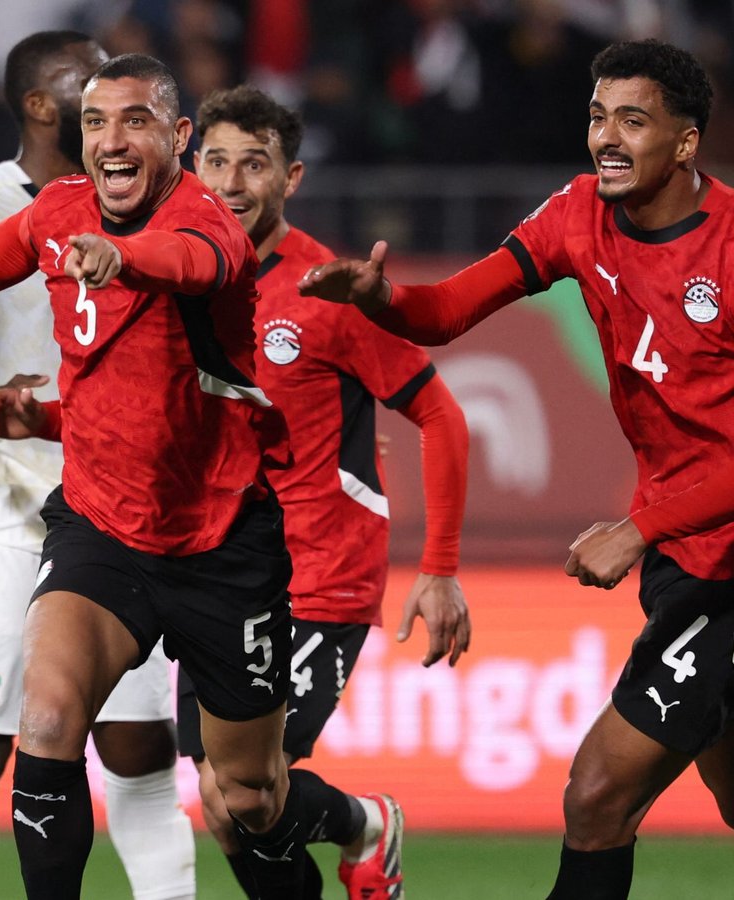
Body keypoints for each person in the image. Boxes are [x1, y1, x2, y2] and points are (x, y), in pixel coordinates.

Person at [299, 38, 734, 900]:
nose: (606, 136)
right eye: (598, 116)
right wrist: (388, 302)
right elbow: (449, 310)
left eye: (632, 121)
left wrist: (639, 529)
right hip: (687, 559)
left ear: (685, 143)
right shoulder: (578, 214)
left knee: (597, 794)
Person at [0, 53, 359, 900]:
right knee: (46, 723)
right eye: (96, 123)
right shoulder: (58, 212)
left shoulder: (211, 222)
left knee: (247, 798)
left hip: (221, 544)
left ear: (179, 135)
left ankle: (337, 845)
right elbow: (8, 249)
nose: (112, 141)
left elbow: (197, 263)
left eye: (135, 121)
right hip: (100, 528)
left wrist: (125, 261)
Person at [0, 32, 193, 900]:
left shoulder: (147, 207)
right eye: (88, 80)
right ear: (40, 104)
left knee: (139, 747)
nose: (107, 90)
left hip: (115, 502)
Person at [186, 84, 472, 899]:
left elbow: (442, 417)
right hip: (212, 573)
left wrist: (441, 565)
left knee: (245, 787)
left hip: (319, 578)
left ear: (293, 177)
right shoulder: (180, 283)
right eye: (216, 162)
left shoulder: (327, 290)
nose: (233, 182)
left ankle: (366, 824)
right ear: (190, 168)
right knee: (225, 799)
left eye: (256, 164)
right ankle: (366, 827)